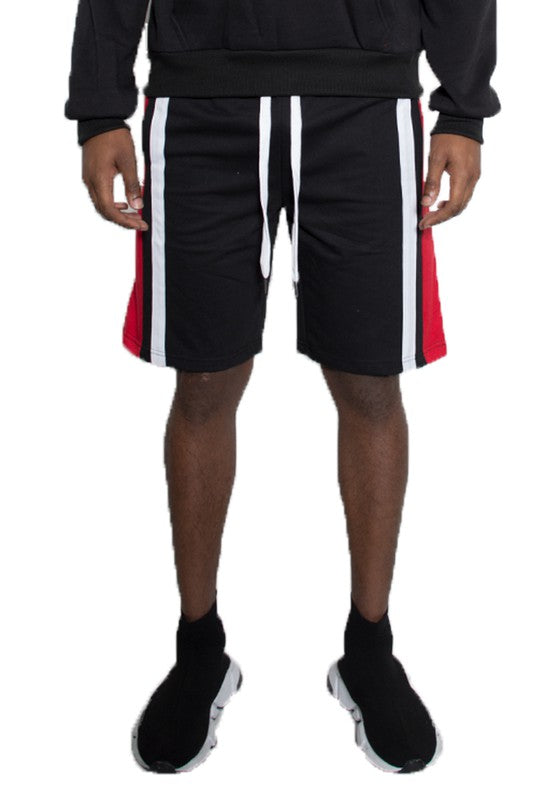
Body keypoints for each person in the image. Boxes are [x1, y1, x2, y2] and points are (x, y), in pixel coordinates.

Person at [64, 0, 500, 775]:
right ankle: (199, 648)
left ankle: (369, 648)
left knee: (369, 384)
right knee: (204, 383)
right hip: (200, 101)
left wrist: (462, 110)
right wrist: (101, 107)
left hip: (366, 103)